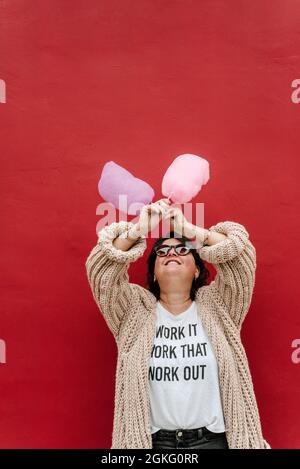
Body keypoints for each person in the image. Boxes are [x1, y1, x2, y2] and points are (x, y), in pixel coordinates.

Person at [85, 198, 271, 449]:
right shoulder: (133, 312)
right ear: (153, 272)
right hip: (154, 444)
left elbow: (241, 254)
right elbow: (100, 270)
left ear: (196, 269)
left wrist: (189, 231)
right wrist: (137, 230)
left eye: (183, 249)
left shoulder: (219, 306)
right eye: (162, 251)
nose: (171, 253)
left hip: (214, 441)